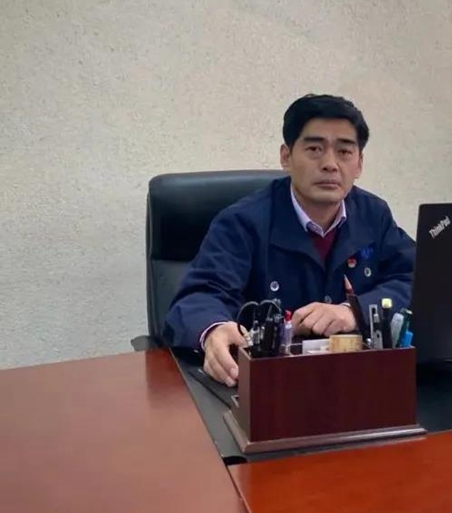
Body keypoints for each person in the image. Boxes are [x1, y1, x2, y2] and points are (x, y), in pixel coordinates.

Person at [164, 94, 415, 385]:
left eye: (345, 151)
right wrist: (212, 330)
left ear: (359, 164)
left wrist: (354, 312)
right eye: (314, 149)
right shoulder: (242, 222)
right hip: (265, 383)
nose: (330, 164)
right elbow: (200, 295)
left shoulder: (373, 215)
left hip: (354, 379)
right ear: (286, 157)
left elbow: (415, 278)